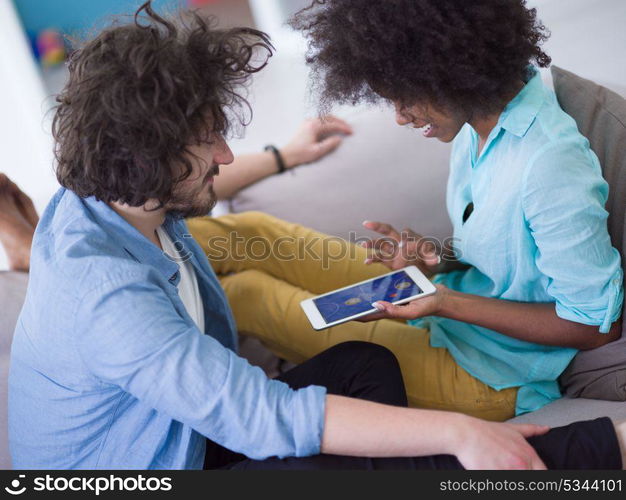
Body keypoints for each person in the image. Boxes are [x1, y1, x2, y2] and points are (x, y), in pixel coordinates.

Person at [5, 1, 626, 471]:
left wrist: (443, 282)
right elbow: (258, 416)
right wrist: (454, 422)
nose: (225, 154)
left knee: (336, 343)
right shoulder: (109, 299)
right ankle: (583, 451)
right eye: (206, 141)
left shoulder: (104, 197)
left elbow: (593, 320)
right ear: (146, 161)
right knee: (250, 269)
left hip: (485, 355)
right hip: (149, 470)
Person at [184, 0, 624, 422]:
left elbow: (593, 328)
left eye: (403, 97)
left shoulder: (549, 162)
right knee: (247, 233)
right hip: (447, 302)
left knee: (247, 297)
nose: (399, 117)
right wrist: (428, 259)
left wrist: (446, 302)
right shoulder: (480, 127)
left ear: (454, 67)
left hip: (494, 373)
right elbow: (511, 251)